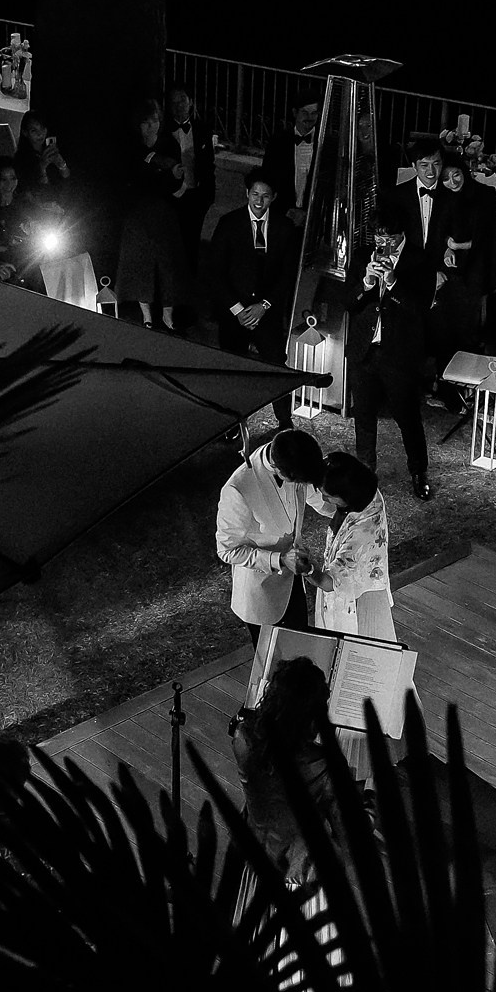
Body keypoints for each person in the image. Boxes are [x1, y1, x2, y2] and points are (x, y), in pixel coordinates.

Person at [348, 137, 446, 502]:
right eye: (378, 237)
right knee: (364, 418)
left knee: (408, 418)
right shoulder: (364, 255)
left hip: (400, 355)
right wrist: (366, 283)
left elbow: (420, 311)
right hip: (364, 351)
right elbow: (350, 303)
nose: (382, 244)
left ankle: (418, 471)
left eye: (388, 237)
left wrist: (391, 282)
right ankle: (364, 472)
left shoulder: (419, 262)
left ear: (401, 235)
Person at [204, 167, 303, 431]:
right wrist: (238, 310)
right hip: (234, 312)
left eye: (265, 196)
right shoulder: (229, 223)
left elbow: (287, 274)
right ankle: (232, 423)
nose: (259, 201)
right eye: (255, 194)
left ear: (274, 198)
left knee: (276, 365)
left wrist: (264, 306)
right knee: (233, 368)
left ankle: (284, 421)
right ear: (247, 193)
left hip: (267, 312)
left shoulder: (284, 227)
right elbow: (215, 272)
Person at [231, 654, 340, 885]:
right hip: (296, 868)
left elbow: (245, 722)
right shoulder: (324, 766)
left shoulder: (242, 739)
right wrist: (370, 795)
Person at [216, 426, 327, 640]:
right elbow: (227, 551)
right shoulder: (238, 489)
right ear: (279, 469)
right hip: (261, 594)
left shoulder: (295, 457)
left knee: (301, 647)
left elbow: (320, 499)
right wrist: (279, 559)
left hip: (294, 582)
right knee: (273, 667)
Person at [114, 98, 191, 330]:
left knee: (167, 263)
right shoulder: (131, 145)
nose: (152, 126)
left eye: (155, 120)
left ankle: (168, 314)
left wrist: (173, 173)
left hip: (162, 210)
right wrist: (155, 166)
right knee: (139, 263)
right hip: (137, 211)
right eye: (147, 122)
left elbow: (173, 177)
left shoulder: (168, 143)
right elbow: (131, 176)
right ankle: (145, 314)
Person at [306, 452, 394, 639]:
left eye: (328, 495)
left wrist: (307, 568)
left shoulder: (361, 534)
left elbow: (329, 583)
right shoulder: (365, 490)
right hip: (357, 582)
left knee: (356, 649)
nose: (324, 499)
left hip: (358, 599)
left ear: (347, 495)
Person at [432, 156, 496, 386]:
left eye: (456, 175)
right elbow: (437, 229)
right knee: (444, 325)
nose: (452, 182)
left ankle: (471, 384)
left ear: (465, 172)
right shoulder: (442, 196)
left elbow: (488, 237)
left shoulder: (484, 194)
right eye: (446, 179)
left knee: (469, 328)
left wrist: (456, 246)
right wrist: (445, 250)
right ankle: (445, 382)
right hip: (450, 269)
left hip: (477, 267)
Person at [165, 85, 217, 253]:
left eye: (182, 100)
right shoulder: (164, 131)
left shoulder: (202, 129)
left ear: (191, 102)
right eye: (174, 102)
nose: (178, 105)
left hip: (196, 194)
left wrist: (208, 195)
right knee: (172, 241)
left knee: (192, 240)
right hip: (172, 195)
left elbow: (209, 164)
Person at [262, 100, 322, 214]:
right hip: (282, 215)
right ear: (295, 113)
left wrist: (306, 214)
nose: (309, 117)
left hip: (314, 217)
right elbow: (268, 178)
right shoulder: (278, 142)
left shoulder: (325, 145)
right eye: (305, 112)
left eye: (314, 113)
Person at [0, 156, 33, 266]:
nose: (9, 185)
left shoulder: (24, 203)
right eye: (3, 179)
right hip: (0, 264)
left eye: (13, 178)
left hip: (27, 260)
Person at [13, 111, 73, 204]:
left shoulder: (51, 150)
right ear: (25, 132)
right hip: (39, 208)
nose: (40, 134)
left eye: (42, 128)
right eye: (34, 131)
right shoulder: (21, 159)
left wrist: (62, 164)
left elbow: (68, 181)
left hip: (60, 204)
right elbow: (33, 191)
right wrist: (42, 167)